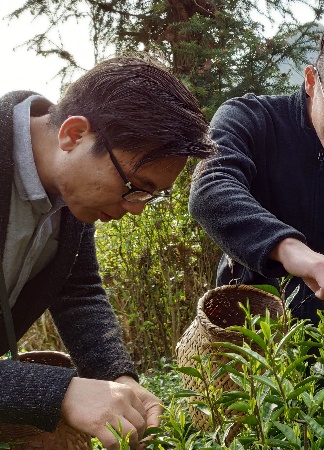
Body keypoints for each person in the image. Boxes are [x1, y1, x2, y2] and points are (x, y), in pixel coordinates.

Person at [0, 57, 215, 449]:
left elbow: (77, 290)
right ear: (74, 134)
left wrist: (118, 378)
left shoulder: (71, 194)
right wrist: (59, 392)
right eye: (135, 184)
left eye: (151, 195)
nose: (136, 207)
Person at [189, 17, 324, 331]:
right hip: (246, 317)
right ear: (311, 81)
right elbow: (211, 188)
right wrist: (295, 252)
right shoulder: (250, 120)